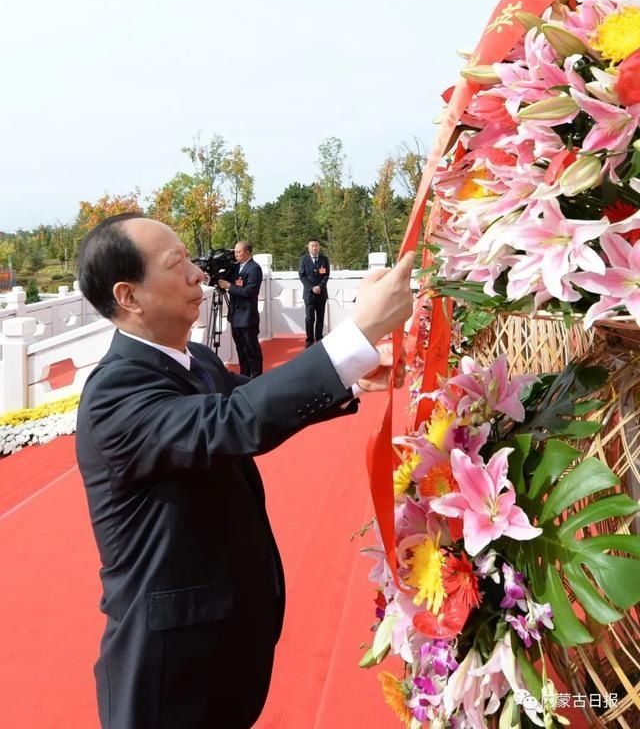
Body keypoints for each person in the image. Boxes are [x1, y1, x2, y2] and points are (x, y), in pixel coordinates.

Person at [75, 213, 414, 729]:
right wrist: (357, 332)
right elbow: (233, 421)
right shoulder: (113, 395)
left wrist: (352, 373)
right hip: (167, 670)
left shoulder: (194, 360)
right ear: (129, 296)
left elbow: (245, 398)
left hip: (219, 643)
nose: (197, 274)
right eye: (176, 264)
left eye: (191, 258)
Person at [217, 241, 263, 378]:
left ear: (248, 253)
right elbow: (223, 280)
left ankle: (257, 377)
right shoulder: (236, 267)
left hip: (247, 317)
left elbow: (249, 291)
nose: (235, 255)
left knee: (252, 350)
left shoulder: (254, 268)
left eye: (239, 252)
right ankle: (245, 375)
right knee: (241, 350)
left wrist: (229, 287)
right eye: (235, 252)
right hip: (235, 316)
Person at [298, 239, 330, 347]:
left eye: (316, 246)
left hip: (321, 293)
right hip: (309, 293)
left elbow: (326, 275)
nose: (314, 248)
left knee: (320, 317)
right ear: (308, 247)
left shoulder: (324, 259)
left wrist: (320, 286)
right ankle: (310, 339)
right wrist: (312, 287)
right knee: (310, 318)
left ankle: (319, 337)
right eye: (312, 246)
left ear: (319, 247)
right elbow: (302, 276)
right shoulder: (304, 260)